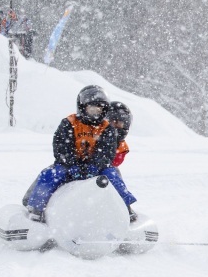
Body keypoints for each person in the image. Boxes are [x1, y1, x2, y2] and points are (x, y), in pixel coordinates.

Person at [26, 86, 137, 222]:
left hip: (96, 168)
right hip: (68, 166)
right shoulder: (69, 123)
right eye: (92, 108)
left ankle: (126, 207)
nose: (96, 112)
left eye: (99, 108)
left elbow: (107, 151)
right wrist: (71, 163)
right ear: (82, 107)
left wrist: (95, 165)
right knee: (51, 174)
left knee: (112, 175)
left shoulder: (106, 128)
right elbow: (60, 146)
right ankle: (36, 208)